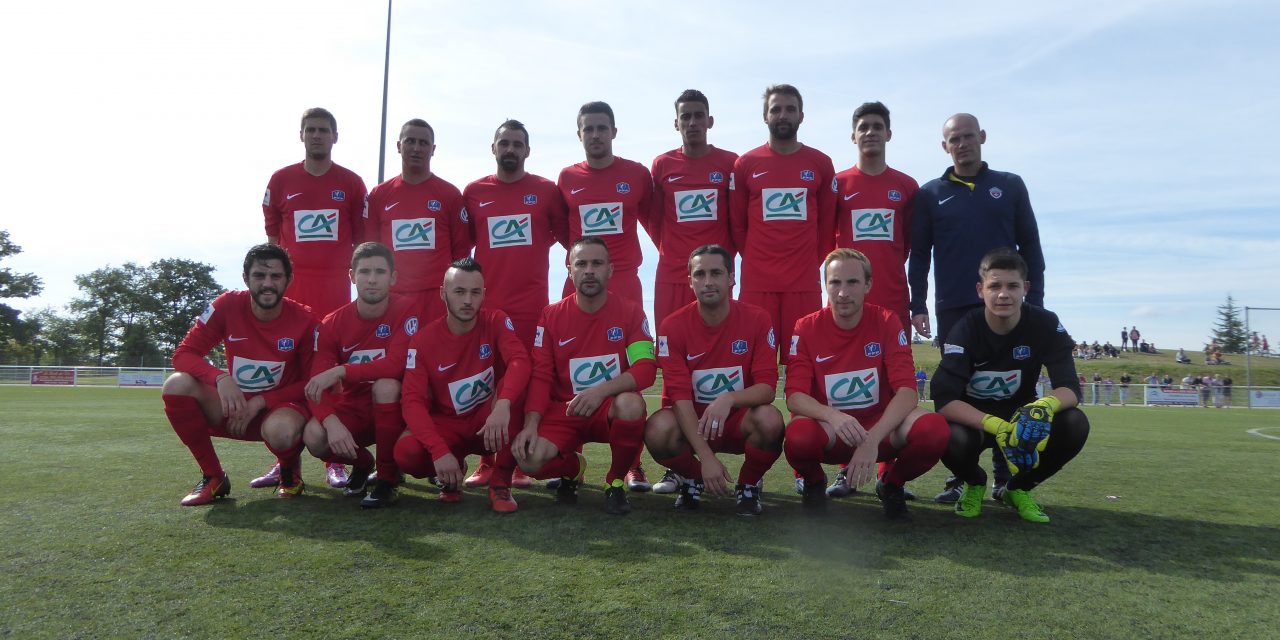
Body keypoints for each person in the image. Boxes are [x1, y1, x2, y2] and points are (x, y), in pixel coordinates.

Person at [908, 113, 1044, 503]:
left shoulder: (1009, 185)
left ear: (982, 137)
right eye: (954, 139)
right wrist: (918, 303)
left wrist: (1035, 301)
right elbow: (920, 254)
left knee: (1011, 388)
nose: (962, 144)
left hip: (1007, 304)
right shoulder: (930, 193)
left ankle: (1004, 474)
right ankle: (963, 476)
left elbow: (1031, 246)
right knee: (959, 390)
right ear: (944, 146)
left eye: (968, 136)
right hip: (954, 306)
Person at [783, 248, 951, 520]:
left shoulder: (886, 321)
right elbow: (794, 396)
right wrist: (833, 416)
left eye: (852, 282)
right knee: (798, 436)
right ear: (825, 285)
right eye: (835, 282)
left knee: (934, 429)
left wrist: (872, 439)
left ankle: (891, 484)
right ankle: (814, 481)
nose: (843, 292)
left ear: (868, 285)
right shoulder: (806, 327)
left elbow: (907, 392)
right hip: (833, 431)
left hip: (880, 430)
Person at [932, 248, 1089, 523]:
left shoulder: (1045, 323)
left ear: (1025, 288)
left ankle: (1018, 488)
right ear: (980, 290)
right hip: (976, 422)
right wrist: (995, 425)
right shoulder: (964, 329)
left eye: (1012, 286)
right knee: (945, 434)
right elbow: (944, 400)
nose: (1003, 294)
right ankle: (974, 482)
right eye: (995, 286)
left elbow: (1070, 388)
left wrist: (1044, 406)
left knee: (1075, 423)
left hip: (1022, 421)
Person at [261, 107, 368, 489]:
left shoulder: (351, 184)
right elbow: (272, 239)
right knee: (290, 374)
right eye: (311, 129)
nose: (317, 135)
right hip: (292, 300)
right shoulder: (281, 180)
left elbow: (361, 241)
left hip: (334, 297)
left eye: (324, 130)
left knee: (329, 377)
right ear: (301, 135)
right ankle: (284, 462)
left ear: (335, 137)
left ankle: (331, 460)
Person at [460, 119, 569, 490]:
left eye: (517, 144)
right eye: (504, 143)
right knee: (485, 382)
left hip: (530, 307)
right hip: (485, 308)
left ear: (527, 150)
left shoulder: (545, 191)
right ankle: (486, 461)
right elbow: (464, 246)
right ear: (493, 148)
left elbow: (566, 239)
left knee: (521, 383)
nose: (510, 149)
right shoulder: (474, 192)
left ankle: (517, 461)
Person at [161, 244, 316, 505]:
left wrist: (261, 401)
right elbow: (183, 354)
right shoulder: (226, 305)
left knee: (281, 430)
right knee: (176, 384)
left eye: (276, 276)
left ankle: (289, 471)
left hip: (280, 412)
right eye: (259, 276)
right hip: (236, 409)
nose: (267, 284)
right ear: (246, 278)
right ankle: (213, 476)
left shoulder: (306, 319)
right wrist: (219, 378)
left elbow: (311, 382)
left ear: (289, 280)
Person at [512, 238, 657, 515]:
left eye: (597, 263)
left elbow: (645, 368)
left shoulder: (630, 312)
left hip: (607, 407)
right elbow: (541, 376)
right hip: (564, 410)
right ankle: (573, 468)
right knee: (529, 460)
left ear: (610, 270)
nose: (589, 270)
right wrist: (531, 425)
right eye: (581, 264)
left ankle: (614, 482)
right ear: (570, 271)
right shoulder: (551, 316)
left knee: (631, 404)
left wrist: (600, 391)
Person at [557, 102, 656, 491]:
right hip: (580, 283)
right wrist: (583, 266)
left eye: (602, 128)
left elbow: (655, 222)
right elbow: (561, 230)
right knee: (572, 367)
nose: (595, 135)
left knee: (630, 368)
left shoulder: (637, 175)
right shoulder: (567, 178)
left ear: (614, 131)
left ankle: (632, 464)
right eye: (588, 129)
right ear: (579, 134)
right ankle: (571, 455)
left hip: (625, 281)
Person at [644, 245, 784, 515]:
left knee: (770, 419)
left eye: (716, 273)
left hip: (738, 423)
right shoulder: (672, 326)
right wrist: (705, 459)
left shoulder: (757, 318)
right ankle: (693, 478)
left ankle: (748, 484)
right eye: (700, 274)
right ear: (690, 281)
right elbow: (679, 397)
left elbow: (767, 388)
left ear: (731, 278)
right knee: (658, 428)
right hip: (694, 425)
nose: (707, 281)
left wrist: (729, 398)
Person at [648, 90, 740, 495]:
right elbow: (654, 218)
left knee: (720, 355)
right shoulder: (662, 165)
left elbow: (737, 219)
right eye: (685, 116)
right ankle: (679, 468)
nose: (692, 123)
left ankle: (728, 443)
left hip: (713, 277)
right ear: (676, 123)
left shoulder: (729, 163)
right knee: (673, 367)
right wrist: (672, 252)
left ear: (710, 121)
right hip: (673, 276)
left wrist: (722, 263)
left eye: (698, 116)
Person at [394, 258, 531, 512]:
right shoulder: (423, 340)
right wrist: (439, 451)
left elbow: (519, 361)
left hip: (488, 423)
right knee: (407, 453)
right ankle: (452, 470)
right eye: (459, 291)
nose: (468, 300)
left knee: (518, 393)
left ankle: (500, 482)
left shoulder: (496, 320)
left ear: (484, 294)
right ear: (443, 293)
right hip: (449, 425)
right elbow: (412, 401)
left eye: (475, 292)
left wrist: (503, 404)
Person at [300, 243, 418, 507]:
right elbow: (316, 383)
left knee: (386, 386)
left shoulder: (407, 309)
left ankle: (388, 479)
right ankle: (364, 463)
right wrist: (331, 422)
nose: (372, 279)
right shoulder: (332, 323)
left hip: (401, 410)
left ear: (393, 277)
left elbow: (396, 365)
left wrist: (342, 370)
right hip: (356, 409)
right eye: (365, 272)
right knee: (314, 436)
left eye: (380, 272)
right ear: (352, 276)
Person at [730, 84, 837, 367]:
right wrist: (758, 259)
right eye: (775, 109)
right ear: (765, 116)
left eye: (790, 109)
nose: (783, 115)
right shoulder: (746, 164)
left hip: (803, 284)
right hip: (758, 283)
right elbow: (737, 226)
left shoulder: (820, 163)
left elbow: (827, 226)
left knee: (803, 364)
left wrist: (807, 263)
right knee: (754, 364)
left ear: (801, 115)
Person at [365, 118, 471, 321]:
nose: (416, 148)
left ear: (433, 149)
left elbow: (461, 252)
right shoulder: (379, 195)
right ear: (399, 146)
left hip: (437, 300)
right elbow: (370, 251)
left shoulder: (449, 194)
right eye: (410, 141)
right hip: (392, 298)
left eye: (423, 143)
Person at [834, 101, 919, 335]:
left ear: (888, 134)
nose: (870, 132)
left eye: (877, 127)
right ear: (853, 136)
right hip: (847, 299)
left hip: (893, 297)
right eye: (863, 127)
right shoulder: (837, 184)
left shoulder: (907, 186)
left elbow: (908, 244)